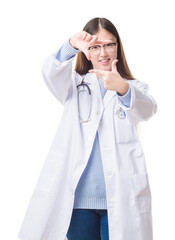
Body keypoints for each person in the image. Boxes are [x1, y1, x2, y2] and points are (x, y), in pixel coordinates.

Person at [18, 17, 157, 240]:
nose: (103, 52)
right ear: (86, 50)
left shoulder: (133, 87)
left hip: (121, 199)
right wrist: (71, 44)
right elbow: (50, 71)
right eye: (95, 46)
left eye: (109, 44)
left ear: (117, 47)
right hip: (78, 203)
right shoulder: (73, 85)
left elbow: (147, 109)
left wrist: (122, 88)